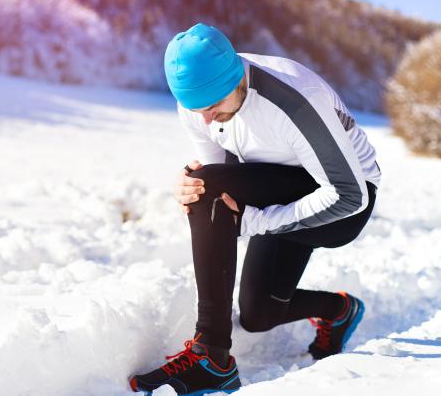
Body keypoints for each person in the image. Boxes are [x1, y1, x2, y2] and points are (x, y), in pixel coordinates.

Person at [129, 23, 381, 395]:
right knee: (258, 313)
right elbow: (220, 175)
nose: (205, 120)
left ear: (236, 79)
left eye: (213, 107)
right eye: (195, 109)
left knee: (209, 189)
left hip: (344, 202)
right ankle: (338, 310)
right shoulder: (200, 106)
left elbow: (348, 194)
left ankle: (211, 355)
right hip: (280, 186)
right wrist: (192, 186)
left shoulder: (294, 99)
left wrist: (257, 222)